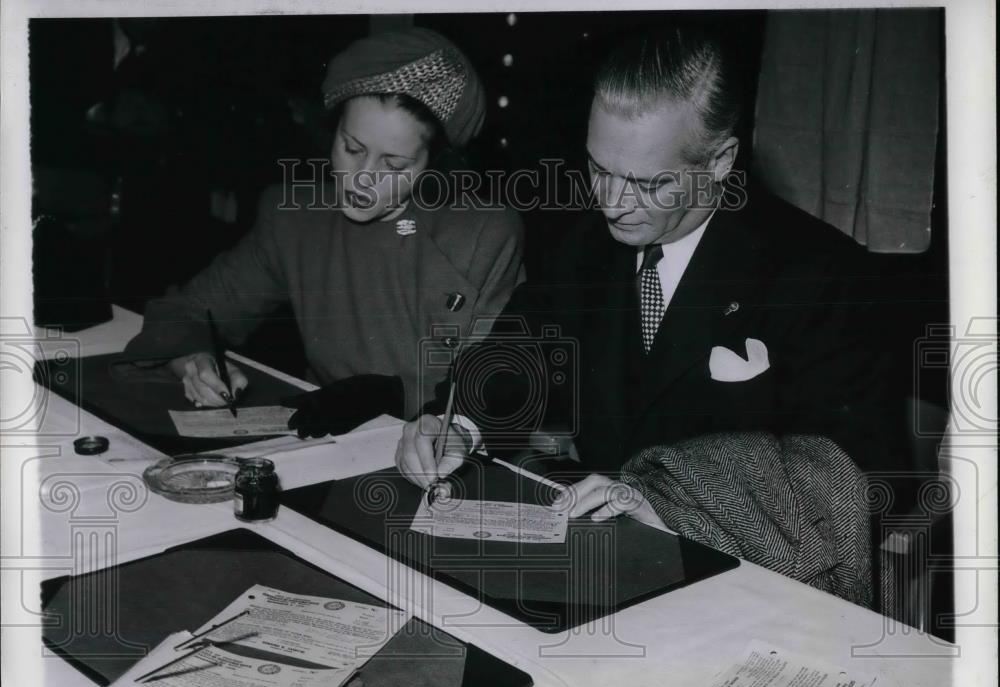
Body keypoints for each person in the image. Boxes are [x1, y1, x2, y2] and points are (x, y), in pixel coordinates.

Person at [395, 27, 904, 525]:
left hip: (742, 573)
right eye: (599, 169)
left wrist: (668, 504)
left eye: (648, 183)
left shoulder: (824, 275)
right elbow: (520, 352)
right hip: (604, 545)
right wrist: (457, 425)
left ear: (720, 161)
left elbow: (859, 476)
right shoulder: (584, 242)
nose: (612, 204)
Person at [117, 27, 525, 425]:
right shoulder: (296, 217)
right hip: (329, 452)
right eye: (352, 148)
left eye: (394, 164)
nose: (362, 178)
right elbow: (185, 312)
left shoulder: (481, 232)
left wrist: (394, 399)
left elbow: (496, 389)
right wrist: (191, 359)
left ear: (433, 165)